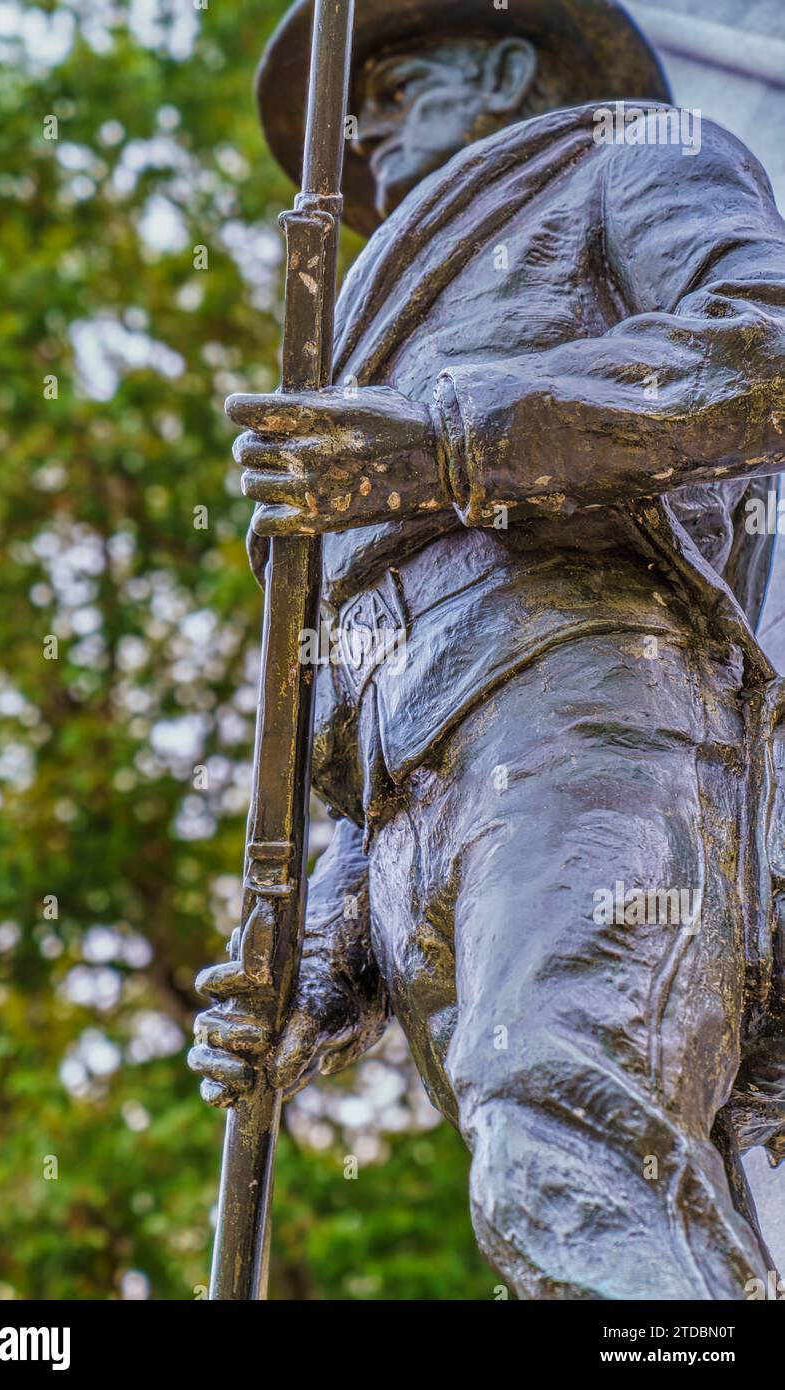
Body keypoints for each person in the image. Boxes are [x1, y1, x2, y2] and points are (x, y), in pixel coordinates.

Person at [189, 0, 785, 1299]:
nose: (360, 125)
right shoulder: (374, 309)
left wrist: (445, 441)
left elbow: (766, 348)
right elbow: (363, 678)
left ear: (509, 66)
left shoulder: (627, 150)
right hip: (416, 808)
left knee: (561, 1142)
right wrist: (321, 953)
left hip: (586, 708)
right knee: (560, 1169)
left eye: (396, 82)